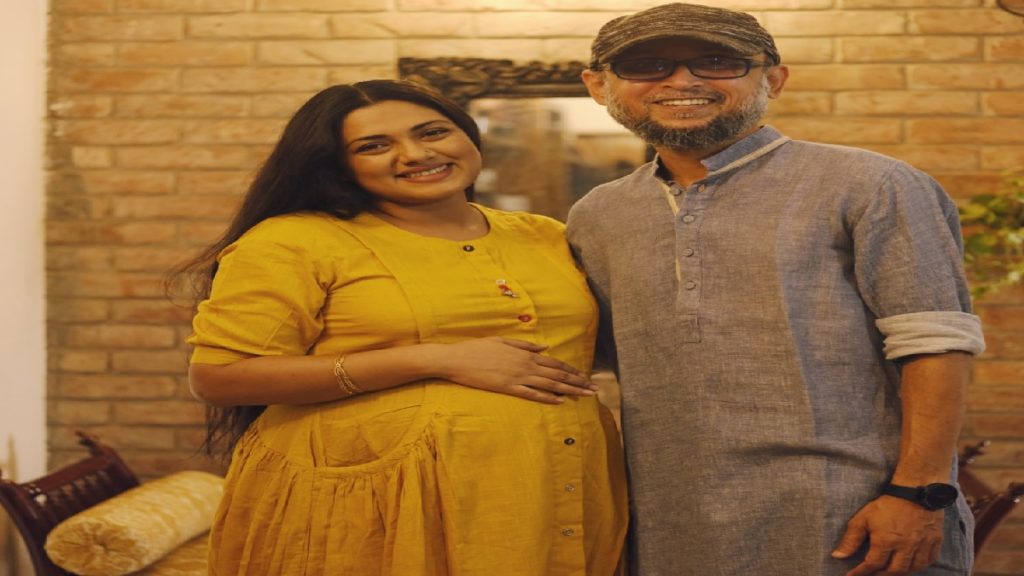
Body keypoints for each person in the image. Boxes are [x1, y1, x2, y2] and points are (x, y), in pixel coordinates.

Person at [566, 3, 985, 575]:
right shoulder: (597, 215)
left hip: (856, 515)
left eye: (718, 62)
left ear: (774, 79)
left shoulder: (870, 184)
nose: (682, 81)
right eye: (647, 65)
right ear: (598, 86)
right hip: (673, 521)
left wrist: (919, 492)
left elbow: (936, 344)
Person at [181, 79, 627, 575]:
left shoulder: (543, 235)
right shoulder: (294, 242)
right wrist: (434, 359)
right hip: (374, 508)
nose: (415, 154)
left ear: (468, 135)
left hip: (550, 489)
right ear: (338, 164)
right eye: (373, 146)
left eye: (432, 132)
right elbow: (220, 377)